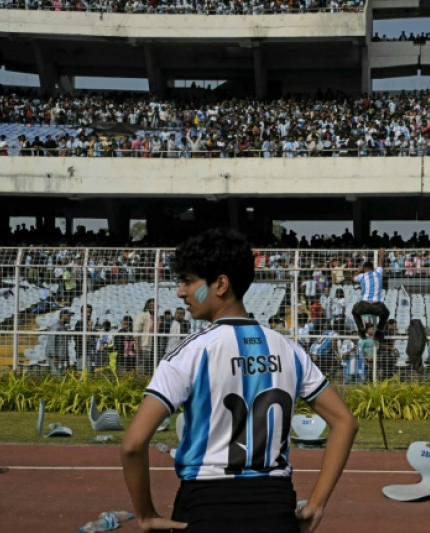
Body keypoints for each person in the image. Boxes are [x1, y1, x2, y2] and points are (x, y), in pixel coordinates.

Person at [121, 228, 357, 533]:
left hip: (205, 507)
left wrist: (144, 514)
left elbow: (132, 445)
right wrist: (317, 503)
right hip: (276, 508)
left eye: (189, 281)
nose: (181, 292)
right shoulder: (289, 349)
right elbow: (345, 423)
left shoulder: (190, 352)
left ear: (220, 284)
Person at [351, 248, 390, 340]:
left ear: (364, 269)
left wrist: (359, 270)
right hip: (377, 306)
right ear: (373, 268)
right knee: (386, 313)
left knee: (354, 311)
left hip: (364, 305)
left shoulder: (361, 276)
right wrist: (381, 254)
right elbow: (380, 263)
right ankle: (379, 331)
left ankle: (361, 329)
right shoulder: (378, 273)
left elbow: (353, 279)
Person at [133, 298, 158, 374]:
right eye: (151, 305)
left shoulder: (156, 317)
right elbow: (136, 331)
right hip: (143, 346)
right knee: (141, 369)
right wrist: (137, 346)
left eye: (154, 305)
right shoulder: (142, 316)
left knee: (150, 369)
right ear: (147, 306)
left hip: (153, 346)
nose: (153, 307)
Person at [45, 309, 73, 375]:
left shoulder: (63, 327)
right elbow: (51, 342)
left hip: (61, 357)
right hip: (55, 357)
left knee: (61, 378)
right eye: (68, 316)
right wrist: (54, 357)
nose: (70, 318)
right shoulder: (55, 327)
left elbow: (64, 343)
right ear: (63, 316)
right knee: (56, 377)